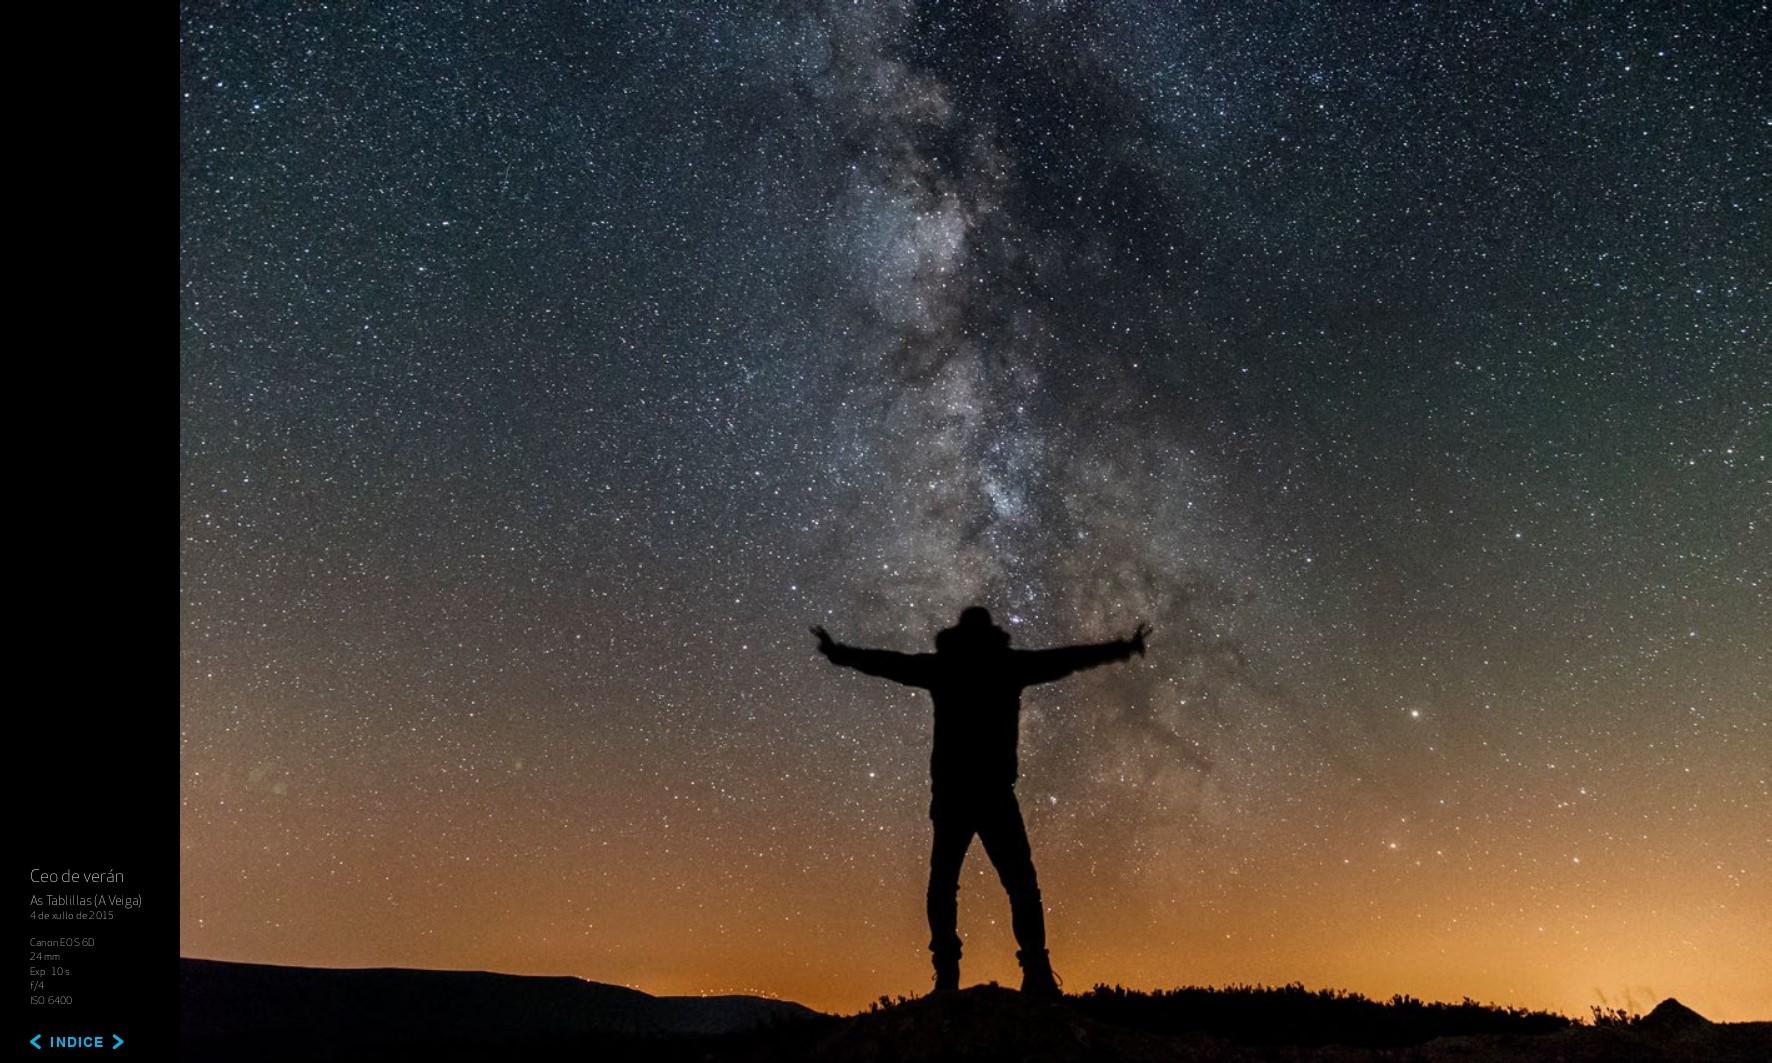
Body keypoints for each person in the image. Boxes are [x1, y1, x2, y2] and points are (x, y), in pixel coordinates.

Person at [811, 606, 1149, 998]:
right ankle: (1035, 972)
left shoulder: (943, 668)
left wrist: (840, 653)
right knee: (1019, 885)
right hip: (993, 794)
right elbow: (1068, 658)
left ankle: (950, 976)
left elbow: (888, 663)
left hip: (955, 794)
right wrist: (1123, 648)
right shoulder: (1007, 666)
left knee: (945, 886)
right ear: (992, 634)